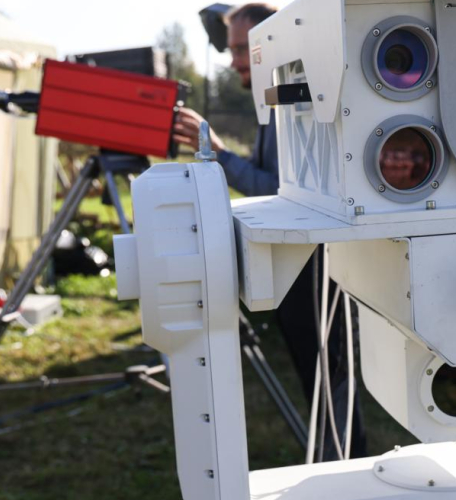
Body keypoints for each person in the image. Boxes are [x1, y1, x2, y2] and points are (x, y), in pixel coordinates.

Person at [173, 2, 366, 462]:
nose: (235, 60)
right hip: (299, 265)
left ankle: (344, 466)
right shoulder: (276, 95)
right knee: (319, 377)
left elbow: (280, 189)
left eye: (244, 49)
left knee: (330, 376)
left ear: (270, 44)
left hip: (315, 268)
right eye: (234, 49)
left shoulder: (297, 96)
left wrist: (218, 154)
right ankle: (335, 462)